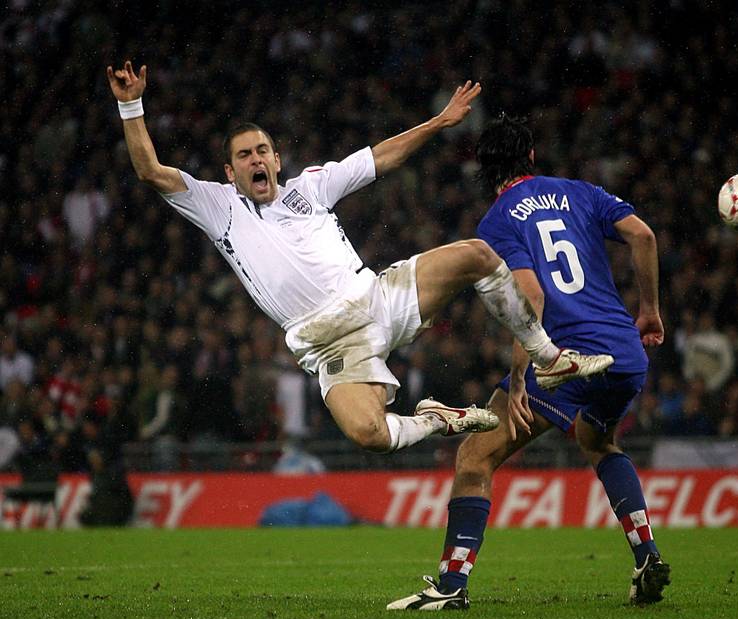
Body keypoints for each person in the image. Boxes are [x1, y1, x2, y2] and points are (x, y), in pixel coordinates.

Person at [106, 62, 613, 455]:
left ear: (277, 160)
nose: (256, 159)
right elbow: (151, 170)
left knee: (478, 255)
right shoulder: (218, 208)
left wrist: (440, 121)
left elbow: (381, 157)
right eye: (244, 155)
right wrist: (132, 106)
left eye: (263, 150)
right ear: (229, 169)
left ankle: (548, 358)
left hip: (377, 296)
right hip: (326, 340)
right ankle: (437, 419)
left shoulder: (310, 185)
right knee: (370, 435)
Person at [388, 115, 670, 610]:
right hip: (625, 353)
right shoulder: (580, 192)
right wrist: (648, 310)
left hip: (564, 358)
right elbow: (643, 236)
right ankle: (646, 554)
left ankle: (452, 585)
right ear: (532, 157)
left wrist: (520, 380)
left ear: (484, 169)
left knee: (476, 456)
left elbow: (531, 297)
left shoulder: (497, 220)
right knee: (597, 440)